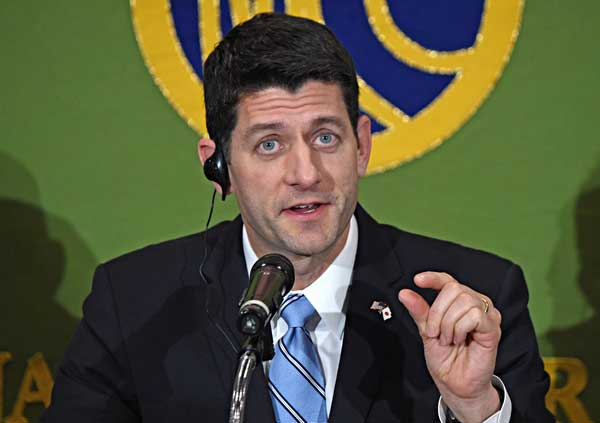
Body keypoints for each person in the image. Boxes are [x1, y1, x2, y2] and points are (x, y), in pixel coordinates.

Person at [42, 13, 553, 423]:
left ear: (362, 146)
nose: (306, 174)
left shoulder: (473, 300)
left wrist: (474, 408)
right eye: (270, 144)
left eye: (325, 137)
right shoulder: (135, 303)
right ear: (218, 167)